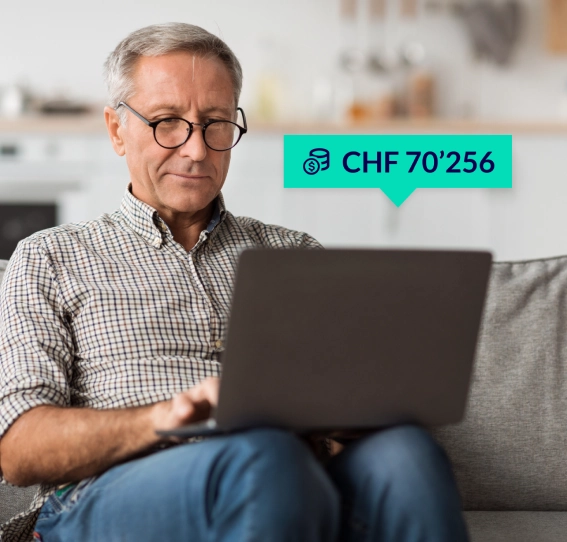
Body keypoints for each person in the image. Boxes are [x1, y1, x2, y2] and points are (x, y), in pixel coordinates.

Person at [0, 22, 469, 542]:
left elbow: (340, 404)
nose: (197, 149)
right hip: (113, 490)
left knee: (407, 453)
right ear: (116, 130)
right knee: (263, 458)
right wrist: (165, 417)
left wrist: (360, 412)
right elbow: (20, 449)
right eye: (167, 123)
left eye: (215, 123)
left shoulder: (293, 253)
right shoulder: (49, 256)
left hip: (289, 467)